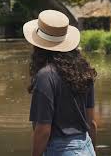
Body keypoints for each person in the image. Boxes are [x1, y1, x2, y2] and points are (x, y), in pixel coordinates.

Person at [23, 10, 97, 156]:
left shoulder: (45, 76)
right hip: (86, 147)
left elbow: (43, 129)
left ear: (38, 46)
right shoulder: (83, 71)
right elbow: (92, 123)